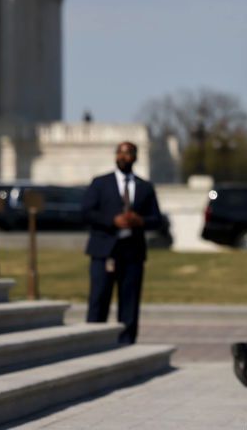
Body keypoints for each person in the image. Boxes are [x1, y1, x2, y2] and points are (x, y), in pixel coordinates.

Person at [81, 141, 162, 345]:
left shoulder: (145, 187)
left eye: (129, 153)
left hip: (132, 252)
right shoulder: (100, 183)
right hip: (104, 250)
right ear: (115, 155)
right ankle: (93, 342)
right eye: (121, 153)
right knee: (99, 299)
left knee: (130, 303)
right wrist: (111, 220)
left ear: (135, 157)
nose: (124, 157)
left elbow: (157, 219)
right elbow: (86, 212)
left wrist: (140, 221)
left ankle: (126, 343)